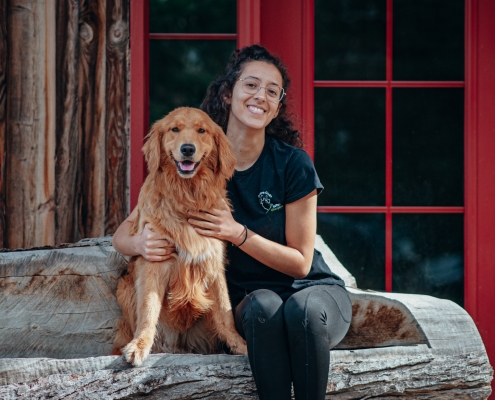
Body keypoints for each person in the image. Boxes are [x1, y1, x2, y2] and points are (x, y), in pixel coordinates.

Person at [112, 44, 352, 400]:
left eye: (273, 91)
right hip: (251, 301)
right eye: (251, 85)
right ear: (228, 93)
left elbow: (301, 264)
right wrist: (139, 244)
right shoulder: (192, 169)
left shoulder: (293, 164)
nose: (261, 96)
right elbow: (123, 233)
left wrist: (237, 233)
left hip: (311, 293)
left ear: (277, 108)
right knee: (263, 308)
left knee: (302, 310)